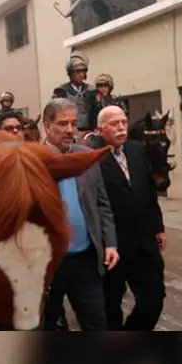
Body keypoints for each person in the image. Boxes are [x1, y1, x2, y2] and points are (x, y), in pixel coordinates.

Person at [40, 98, 119, 330]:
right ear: (46, 126)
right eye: (63, 123)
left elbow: (102, 203)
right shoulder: (32, 160)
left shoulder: (86, 157)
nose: (70, 130)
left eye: (73, 123)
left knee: (96, 323)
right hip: (47, 264)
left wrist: (110, 243)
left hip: (85, 259)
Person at [91, 105, 167, 330]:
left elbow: (149, 193)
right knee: (110, 305)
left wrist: (158, 227)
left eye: (124, 122)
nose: (121, 128)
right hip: (113, 246)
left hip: (144, 241)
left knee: (154, 299)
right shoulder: (92, 158)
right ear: (100, 130)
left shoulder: (136, 151)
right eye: (114, 124)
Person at [51, 51, 92, 139]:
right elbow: (54, 113)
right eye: (78, 72)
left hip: (91, 132)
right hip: (68, 131)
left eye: (83, 72)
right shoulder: (61, 91)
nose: (81, 75)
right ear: (71, 74)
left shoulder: (92, 90)